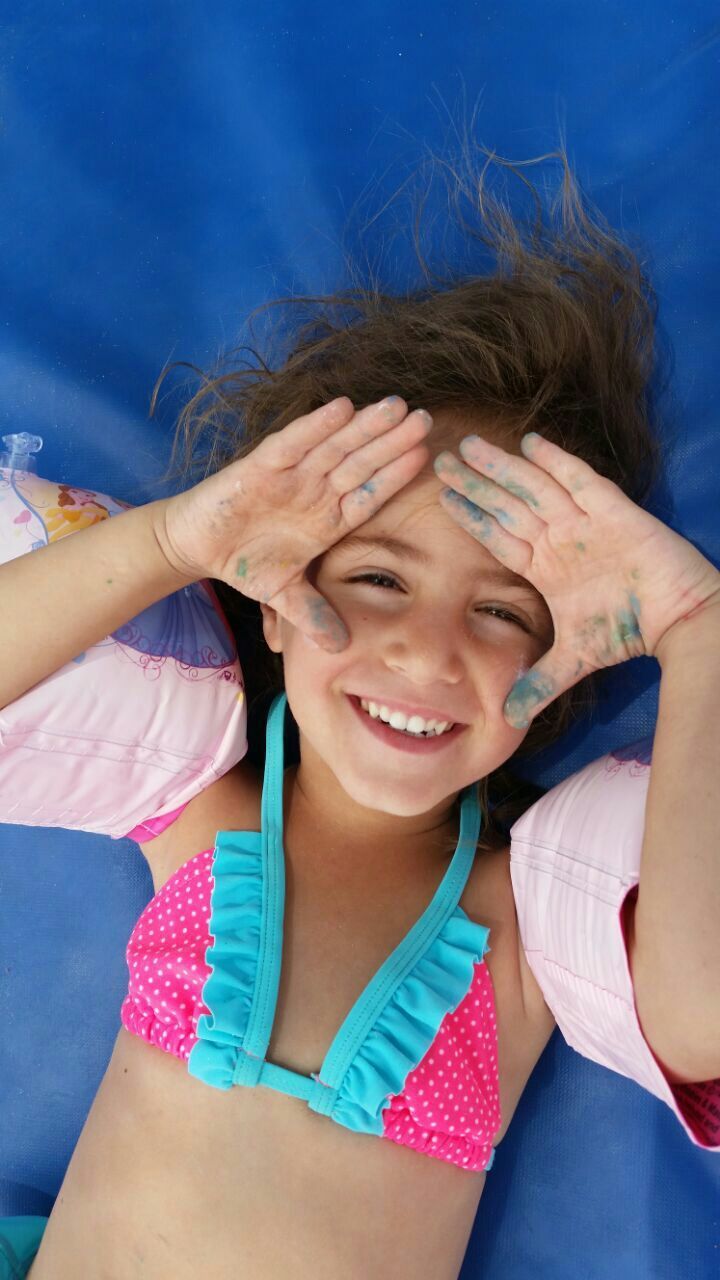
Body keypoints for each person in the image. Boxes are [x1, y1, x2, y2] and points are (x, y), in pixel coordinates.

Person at [1, 149, 719, 1280]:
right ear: (279, 602)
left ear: (563, 668)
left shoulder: (522, 929)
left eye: (499, 610)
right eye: (379, 578)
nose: (426, 650)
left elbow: (704, 1017)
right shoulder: (203, 817)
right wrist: (176, 541)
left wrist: (697, 623)